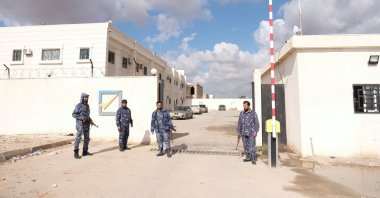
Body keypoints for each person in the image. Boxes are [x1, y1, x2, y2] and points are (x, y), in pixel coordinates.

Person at [72, 93, 96, 159]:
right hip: (80, 125)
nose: (86, 98)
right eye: (85, 97)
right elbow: (74, 114)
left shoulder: (87, 106)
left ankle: (85, 151)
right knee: (78, 138)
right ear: (82, 98)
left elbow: (87, 115)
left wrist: (91, 120)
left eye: (87, 97)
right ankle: (76, 152)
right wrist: (82, 118)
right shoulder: (78, 105)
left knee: (87, 138)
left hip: (87, 124)